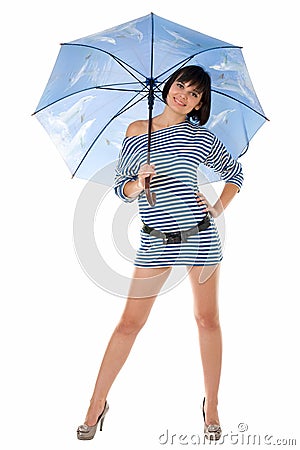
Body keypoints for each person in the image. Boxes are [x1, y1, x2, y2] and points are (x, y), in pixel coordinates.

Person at [77, 65, 243, 441]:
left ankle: (212, 406)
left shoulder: (200, 137)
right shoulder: (137, 132)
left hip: (200, 238)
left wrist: (216, 207)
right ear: (168, 87)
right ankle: (96, 403)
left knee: (207, 320)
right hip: (155, 239)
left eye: (195, 93)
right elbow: (121, 188)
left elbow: (236, 174)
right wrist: (138, 182)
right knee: (129, 324)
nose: (183, 94)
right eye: (181, 85)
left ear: (200, 104)